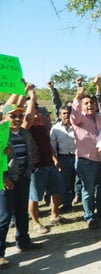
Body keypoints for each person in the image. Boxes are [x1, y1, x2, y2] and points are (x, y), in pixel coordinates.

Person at [0, 85, 42, 269]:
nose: (17, 119)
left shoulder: (24, 132)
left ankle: (23, 242)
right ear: (5, 117)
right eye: (13, 116)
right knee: (4, 217)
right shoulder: (1, 134)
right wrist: (2, 178)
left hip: (23, 178)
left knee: (21, 213)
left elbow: (30, 116)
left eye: (19, 115)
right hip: (6, 181)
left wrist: (30, 95)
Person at [70, 86, 101, 230]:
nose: (89, 105)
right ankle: (89, 216)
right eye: (86, 103)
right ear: (81, 106)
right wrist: (78, 96)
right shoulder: (78, 119)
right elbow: (74, 114)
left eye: (92, 103)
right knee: (88, 190)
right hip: (85, 161)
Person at [28, 103, 66, 234]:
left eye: (37, 113)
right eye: (33, 113)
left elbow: (48, 145)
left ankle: (54, 215)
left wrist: (55, 159)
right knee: (34, 197)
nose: (36, 115)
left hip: (50, 164)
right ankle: (36, 223)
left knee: (56, 192)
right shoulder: (26, 129)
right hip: (36, 168)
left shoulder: (42, 127)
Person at [50, 106, 77, 212]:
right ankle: (67, 203)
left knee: (78, 181)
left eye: (69, 113)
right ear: (60, 115)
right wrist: (55, 160)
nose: (67, 115)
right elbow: (51, 146)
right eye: (64, 113)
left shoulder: (77, 126)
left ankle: (81, 201)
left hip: (77, 156)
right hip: (63, 158)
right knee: (65, 182)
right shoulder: (55, 128)